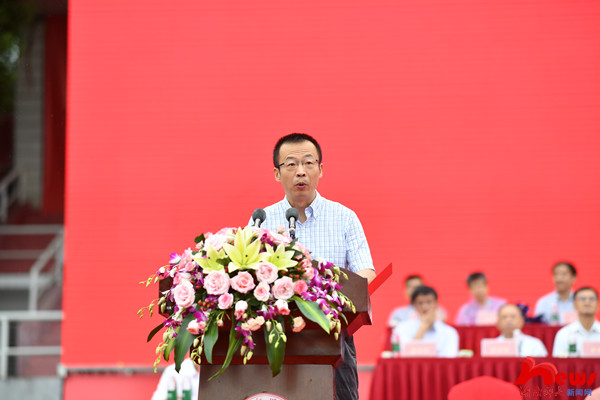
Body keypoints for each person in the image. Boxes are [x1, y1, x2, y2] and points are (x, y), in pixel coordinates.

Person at [259, 133, 376, 400]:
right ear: (277, 173)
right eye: (291, 164)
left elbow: (366, 273)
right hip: (276, 337)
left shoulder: (344, 217)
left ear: (320, 169)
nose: (301, 171)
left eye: (308, 163)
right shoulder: (263, 220)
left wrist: (333, 297)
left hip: (333, 336)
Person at [392, 286, 459, 357]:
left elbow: (450, 358)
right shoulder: (401, 328)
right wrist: (422, 329)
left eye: (429, 302)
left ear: (436, 303)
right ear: (414, 305)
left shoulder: (449, 332)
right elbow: (399, 355)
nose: (425, 307)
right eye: (420, 303)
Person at [552, 286, 600, 357]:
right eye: (582, 299)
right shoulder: (564, 334)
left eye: (591, 299)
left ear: (598, 305)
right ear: (574, 305)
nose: (587, 302)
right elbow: (559, 362)